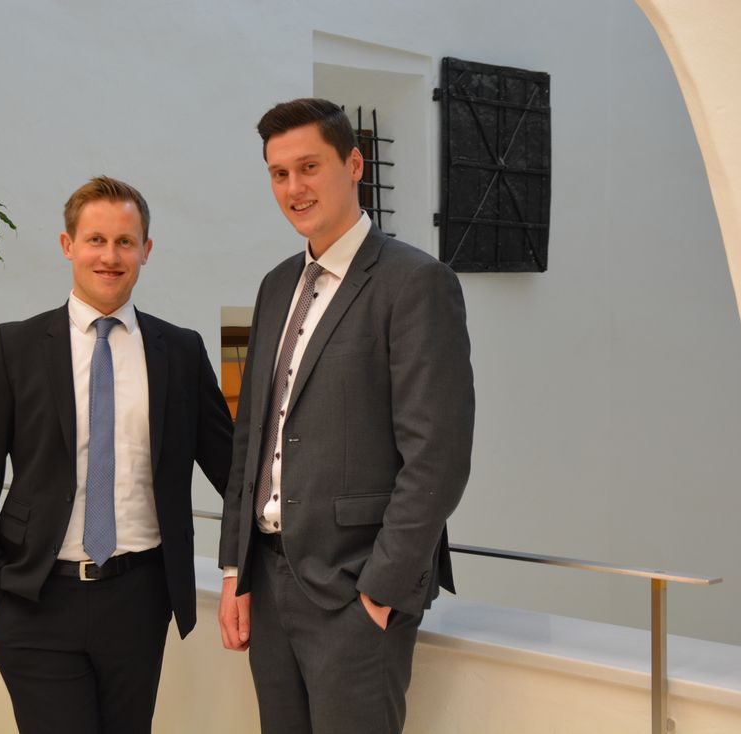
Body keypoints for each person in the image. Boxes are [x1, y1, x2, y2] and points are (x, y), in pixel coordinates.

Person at [218, 98, 475, 733]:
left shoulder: (417, 282)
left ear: (354, 164)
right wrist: (234, 569)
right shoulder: (274, 285)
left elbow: (437, 457)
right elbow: (251, 436)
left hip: (355, 592)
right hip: (268, 583)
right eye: (279, 173)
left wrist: (380, 592)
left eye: (309, 167)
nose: (294, 188)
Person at [0, 176, 233, 734]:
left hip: (139, 598)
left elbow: (233, 471)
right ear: (68, 245)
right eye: (96, 240)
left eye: (125, 242)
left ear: (146, 250)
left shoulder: (181, 350)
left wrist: (257, 558)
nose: (110, 256)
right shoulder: (15, 348)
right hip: (35, 600)